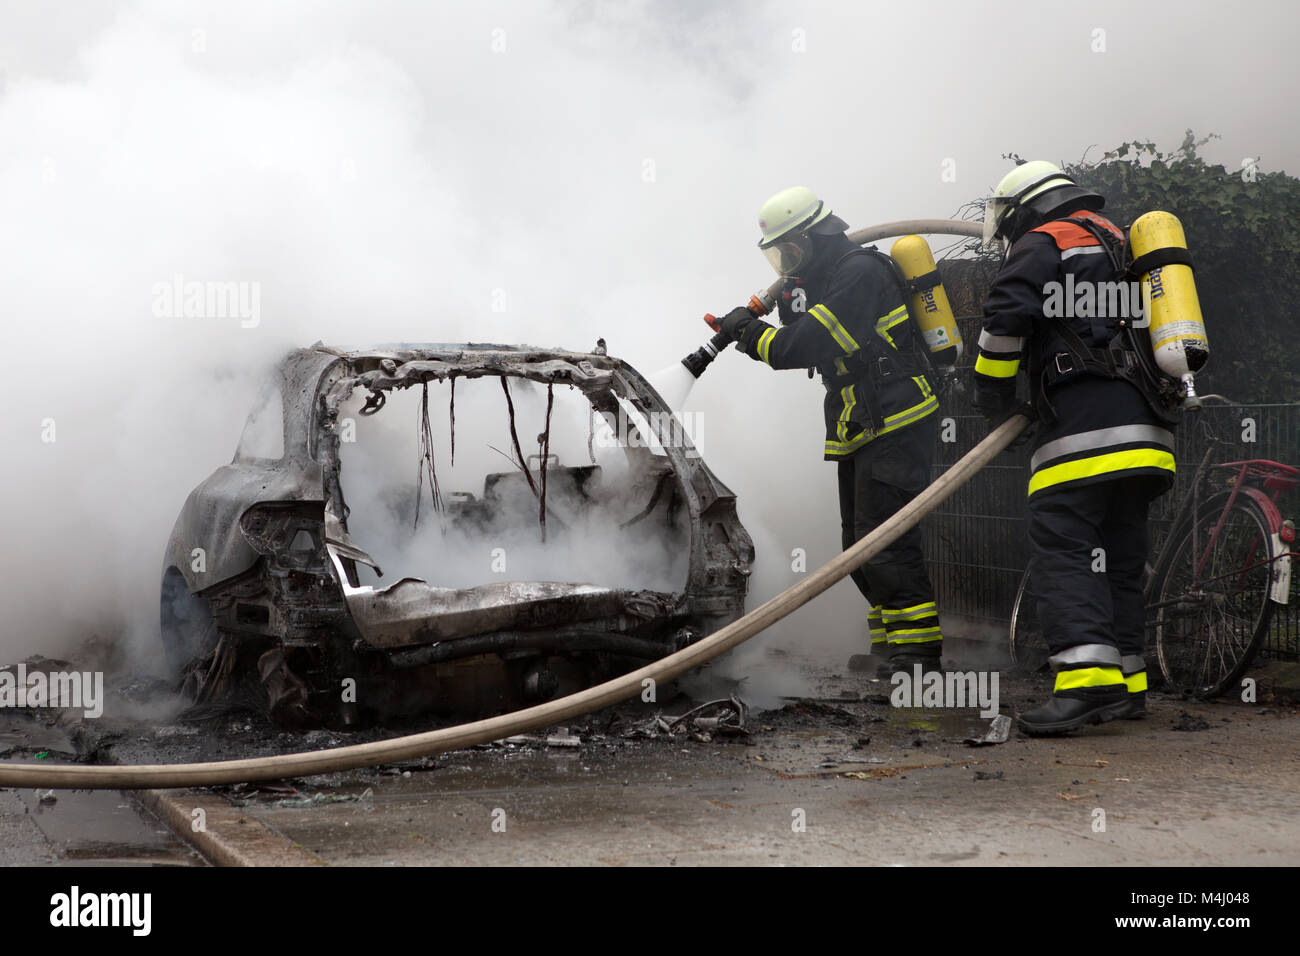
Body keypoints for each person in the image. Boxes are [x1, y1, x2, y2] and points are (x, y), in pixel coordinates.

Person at [974, 160, 1177, 735]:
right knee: (1118, 558)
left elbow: (1005, 322)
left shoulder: (1046, 240)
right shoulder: (1124, 240)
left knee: (1064, 549)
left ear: (1023, 210)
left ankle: (1085, 687)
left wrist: (992, 394)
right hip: (1148, 436)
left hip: (1085, 433)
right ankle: (1127, 686)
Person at [718, 186, 944, 676]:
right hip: (857, 420)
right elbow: (800, 332)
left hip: (896, 416)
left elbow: (803, 346)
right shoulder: (821, 279)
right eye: (778, 254)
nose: (785, 262)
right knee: (856, 545)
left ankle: (919, 657)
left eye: (790, 249)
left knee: (884, 540)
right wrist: (769, 311)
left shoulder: (859, 272)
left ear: (813, 236)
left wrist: (749, 333)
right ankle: (889, 644)